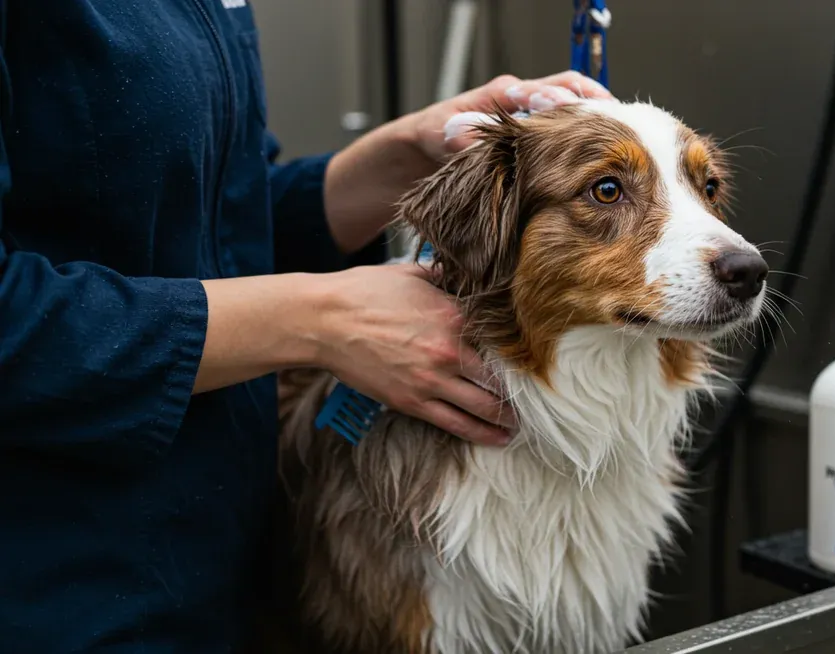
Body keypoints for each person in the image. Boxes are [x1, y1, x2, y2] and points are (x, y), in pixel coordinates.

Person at [0, 2, 612, 652]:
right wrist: (320, 321)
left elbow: (211, 225)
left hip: (224, 551)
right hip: (56, 583)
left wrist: (402, 154)